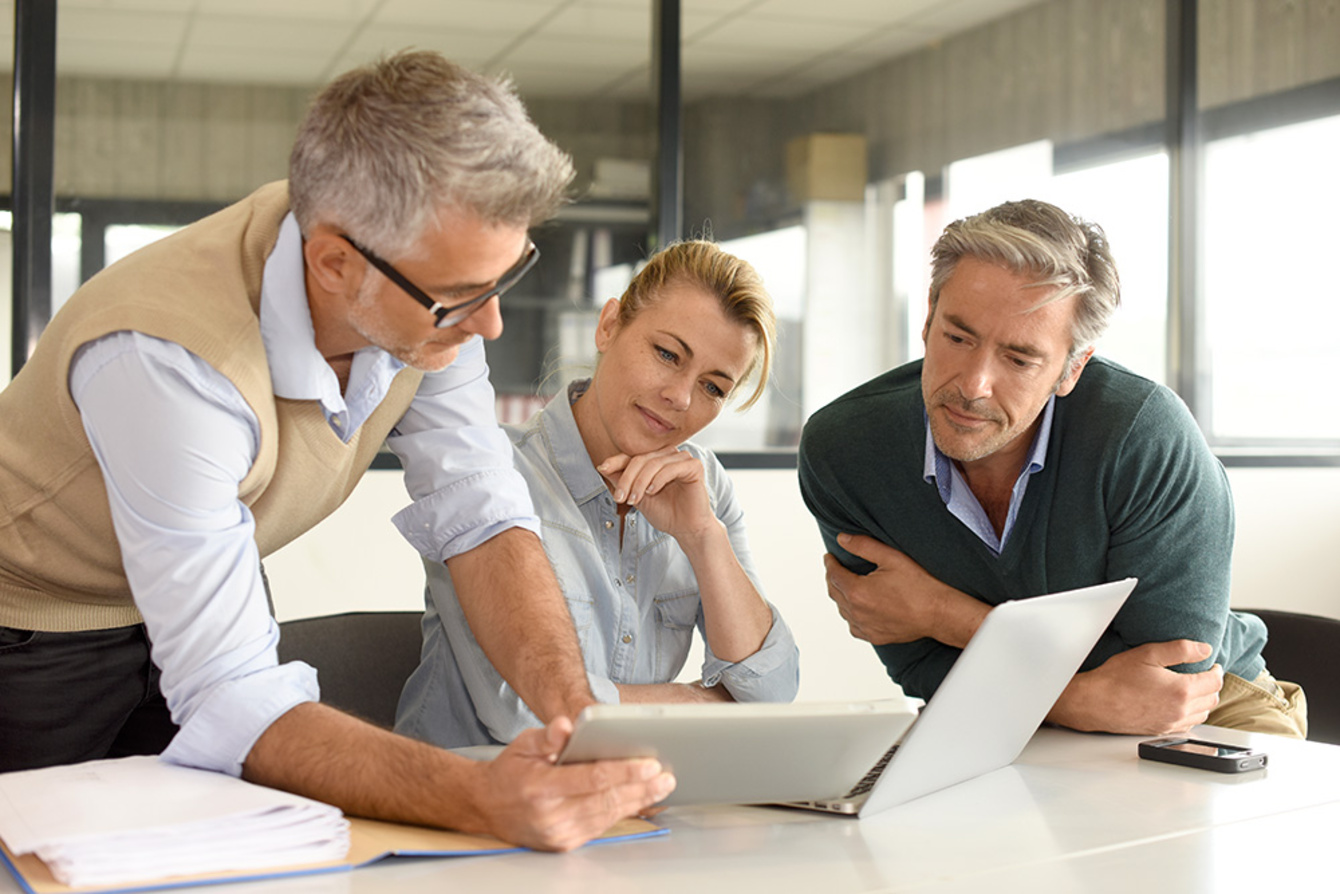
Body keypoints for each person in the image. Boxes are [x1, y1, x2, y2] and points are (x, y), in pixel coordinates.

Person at [0, 50, 674, 851]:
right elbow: (232, 693)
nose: (489, 327)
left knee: (214, 855)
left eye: (504, 279)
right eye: (462, 298)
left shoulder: (418, 290)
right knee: (35, 861)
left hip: (192, 589)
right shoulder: (169, 356)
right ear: (333, 264)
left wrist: (579, 715)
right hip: (31, 627)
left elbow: (481, 517)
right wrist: (480, 796)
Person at [797, 199, 1307, 739]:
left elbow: (1163, 681)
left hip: (1207, 708)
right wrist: (1077, 700)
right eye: (957, 337)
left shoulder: (1142, 435)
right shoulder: (846, 451)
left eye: (1018, 359)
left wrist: (944, 613)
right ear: (928, 317)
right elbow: (919, 666)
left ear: (1073, 367)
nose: (973, 384)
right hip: (1002, 716)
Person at [397, 241, 801, 748]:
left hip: (629, 800)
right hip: (465, 803)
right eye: (667, 354)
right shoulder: (495, 474)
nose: (680, 397)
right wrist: (703, 702)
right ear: (609, 325)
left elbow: (771, 696)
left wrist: (702, 537)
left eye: (714, 388)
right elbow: (527, 714)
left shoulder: (704, 486)